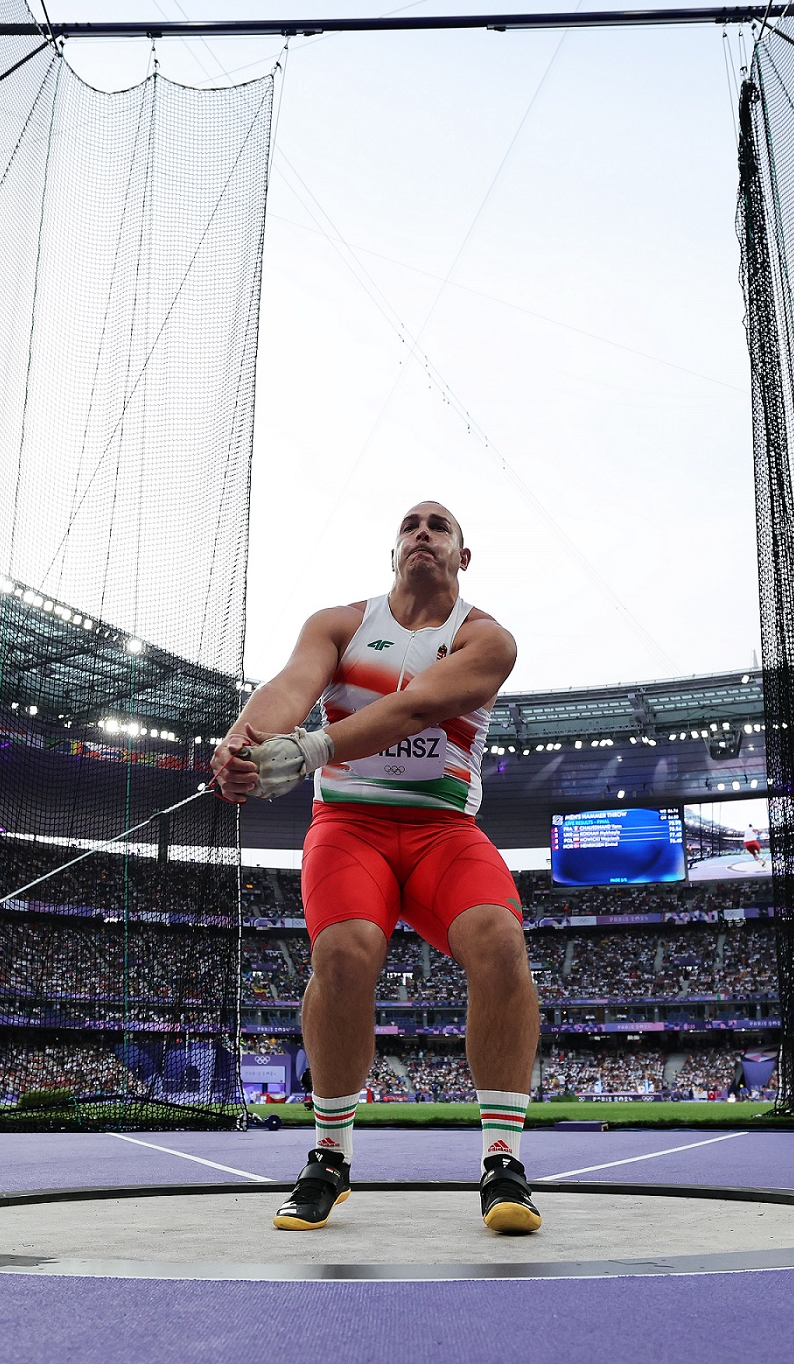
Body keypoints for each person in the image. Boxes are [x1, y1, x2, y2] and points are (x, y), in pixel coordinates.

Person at [214, 501, 540, 1234]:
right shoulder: (338, 625)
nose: (422, 531)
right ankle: (329, 1157)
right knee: (344, 951)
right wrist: (245, 740)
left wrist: (311, 750)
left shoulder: (487, 639)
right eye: (410, 525)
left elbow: (419, 706)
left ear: (463, 555)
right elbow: (292, 687)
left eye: (440, 525)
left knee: (499, 941)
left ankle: (502, 1163)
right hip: (349, 827)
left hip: (441, 832)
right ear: (394, 552)